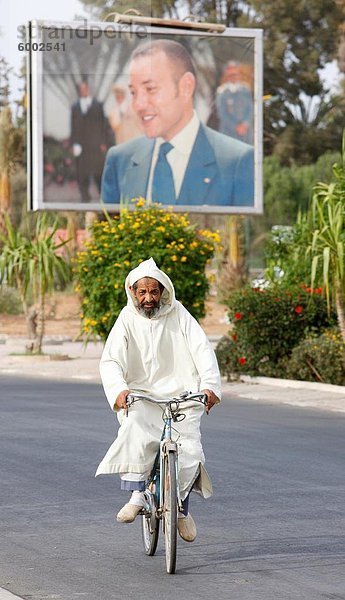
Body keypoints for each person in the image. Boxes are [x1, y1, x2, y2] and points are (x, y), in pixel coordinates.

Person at [96, 258, 221, 542]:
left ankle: (182, 512)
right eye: (142, 292)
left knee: (188, 449)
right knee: (134, 430)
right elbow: (111, 361)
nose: (149, 298)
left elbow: (203, 350)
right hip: (142, 396)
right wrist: (120, 390)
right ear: (133, 292)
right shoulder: (126, 319)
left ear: (163, 291)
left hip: (182, 395)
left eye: (154, 291)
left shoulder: (179, 315)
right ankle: (137, 495)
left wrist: (210, 386)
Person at [101, 40, 254, 207]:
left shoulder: (237, 160)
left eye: (150, 89)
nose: (138, 104)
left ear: (186, 87)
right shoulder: (119, 160)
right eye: (133, 92)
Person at [70, 80, 110, 202]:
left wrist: (104, 142)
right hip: (81, 146)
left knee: (98, 172)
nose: (83, 91)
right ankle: (85, 197)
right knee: (82, 173)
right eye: (81, 89)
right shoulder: (75, 107)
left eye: (85, 89)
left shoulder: (98, 105)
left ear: (88, 89)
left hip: (95, 145)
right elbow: (73, 126)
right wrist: (73, 143)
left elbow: (104, 125)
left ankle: (103, 197)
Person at [216, 61, 254, 144]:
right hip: (228, 133)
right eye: (231, 75)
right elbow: (222, 113)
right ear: (227, 76)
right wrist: (236, 127)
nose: (234, 77)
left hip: (246, 134)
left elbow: (250, 109)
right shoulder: (222, 92)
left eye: (236, 74)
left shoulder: (245, 90)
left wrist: (245, 124)